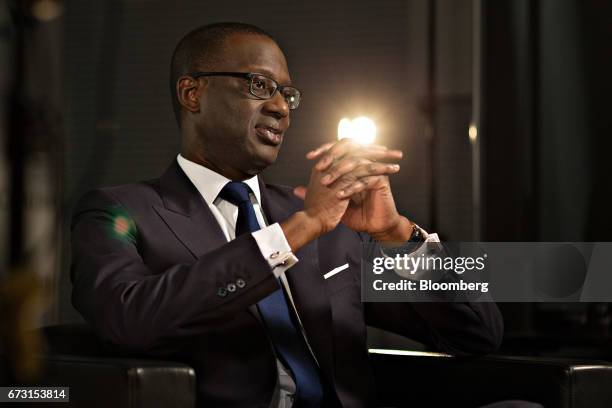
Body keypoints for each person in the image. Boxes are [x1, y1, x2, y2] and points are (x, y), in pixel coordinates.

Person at [71, 22, 503, 407]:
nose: (281, 107)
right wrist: (298, 231)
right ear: (193, 93)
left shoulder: (330, 224)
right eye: (259, 85)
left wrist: (398, 234)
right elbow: (127, 319)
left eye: (287, 94)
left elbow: (479, 332)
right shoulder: (120, 211)